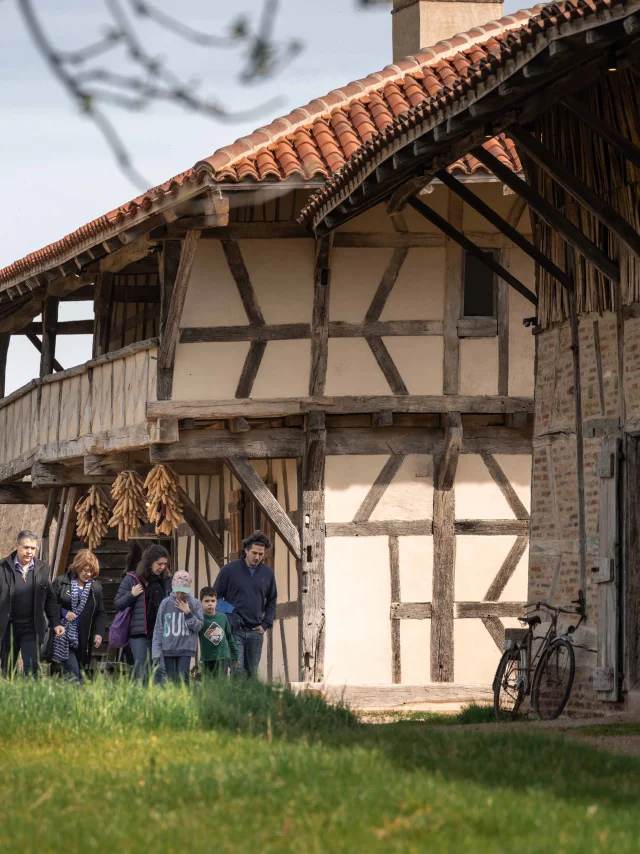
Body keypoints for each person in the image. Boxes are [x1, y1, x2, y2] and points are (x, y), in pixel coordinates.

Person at [0, 530, 65, 677]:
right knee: (8, 671)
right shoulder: (2, 568)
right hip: (8, 627)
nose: (30, 552)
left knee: (32, 669)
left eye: (33, 548)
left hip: (32, 627)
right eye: (26, 547)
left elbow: (50, 599)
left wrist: (56, 623)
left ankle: (31, 699)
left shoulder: (42, 569)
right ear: (17, 545)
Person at [213, 531, 277, 678]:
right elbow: (215, 596)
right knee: (238, 671)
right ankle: (236, 701)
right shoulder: (229, 570)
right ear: (246, 550)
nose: (257, 557)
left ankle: (248, 701)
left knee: (251, 674)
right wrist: (231, 612)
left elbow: (272, 600)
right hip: (234, 630)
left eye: (261, 554)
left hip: (256, 631)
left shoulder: (268, 573)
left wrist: (266, 624)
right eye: (254, 553)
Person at [113, 544, 171, 681]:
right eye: (159, 564)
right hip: (140, 634)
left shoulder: (166, 581)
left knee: (160, 670)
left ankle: (159, 701)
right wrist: (131, 594)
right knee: (143, 672)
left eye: (165, 564)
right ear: (150, 562)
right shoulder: (132, 579)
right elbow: (118, 603)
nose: (162, 567)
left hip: (161, 633)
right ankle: (143, 701)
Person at [52, 549, 107, 682]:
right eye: (86, 570)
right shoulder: (61, 582)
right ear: (77, 567)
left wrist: (99, 633)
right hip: (64, 638)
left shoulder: (95, 588)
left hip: (83, 639)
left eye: (91, 572)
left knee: (78, 673)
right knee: (74, 673)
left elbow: (101, 613)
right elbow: (49, 605)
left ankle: (68, 701)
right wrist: (64, 613)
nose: (89, 574)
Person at [152, 570, 203, 684]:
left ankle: (184, 701)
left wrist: (188, 612)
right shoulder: (165, 603)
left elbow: (199, 626)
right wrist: (156, 652)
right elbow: (159, 628)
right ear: (173, 586)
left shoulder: (194, 603)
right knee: (170, 680)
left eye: (183, 591)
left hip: (185, 648)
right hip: (168, 648)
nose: (179, 594)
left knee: (182, 678)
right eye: (177, 591)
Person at [198, 587, 239, 679]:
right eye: (206, 601)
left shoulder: (223, 617)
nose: (210, 604)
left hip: (223, 657)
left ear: (216, 602)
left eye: (213, 601)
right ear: (201, 602)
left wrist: (236, 654)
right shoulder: (199, 619)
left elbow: (229, 636)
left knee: (222, 683)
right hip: (207, 657)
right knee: (208, 685)